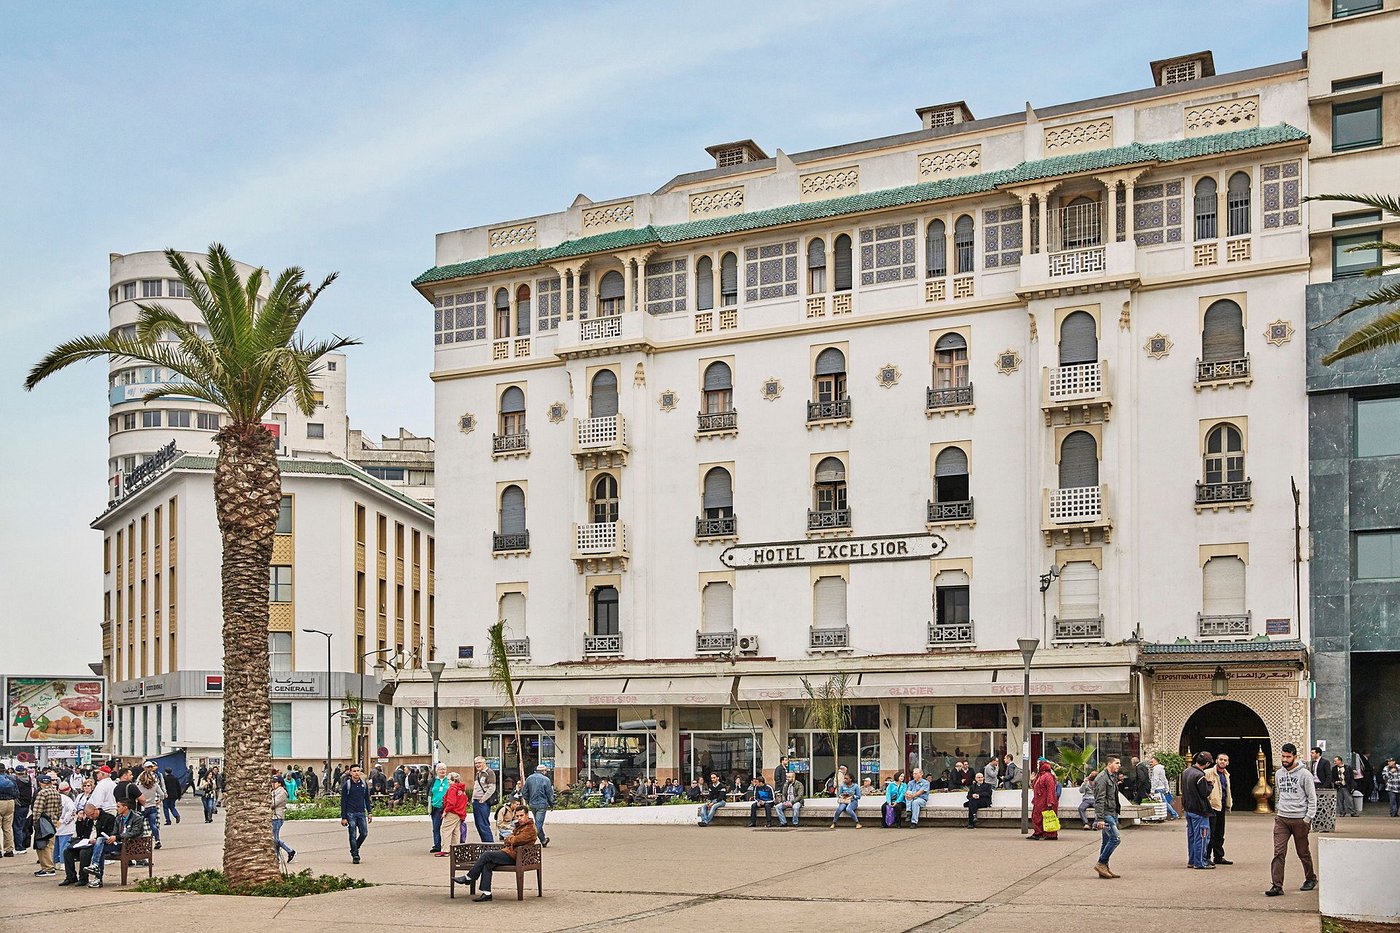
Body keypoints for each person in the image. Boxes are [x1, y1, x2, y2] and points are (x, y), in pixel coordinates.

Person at [453, 800, 538, 902]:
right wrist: (510, 840)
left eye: (521, 816)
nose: (519, 818)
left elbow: (515, 840)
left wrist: (511, 839)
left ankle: (469, 877)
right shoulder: (520, 827)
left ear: (527, 815)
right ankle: (487, 893)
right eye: (517, 816)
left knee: (487, 855)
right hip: (511, 853)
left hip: (518, 857)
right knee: (487, 864)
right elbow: (507, 840)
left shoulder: (529, 829)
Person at [1266, 742, 1317, 897]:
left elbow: (1312, 798)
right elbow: (1280, 794)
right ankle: (1277, 885)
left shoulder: (1305, 775)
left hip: (1300, 819)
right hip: (1282, 819)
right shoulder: (1280, 774)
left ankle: (1310, 878)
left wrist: (1307, 818)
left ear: (1295, 756)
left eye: (1288, 757)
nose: (1285, 759)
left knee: (1303, 852)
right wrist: (1278, 810)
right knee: (1278, 852)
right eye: (1283, 756)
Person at [87, 798, 146, 888]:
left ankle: (96, 871)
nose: (116, 808)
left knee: (100, 848)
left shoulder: (137, 818)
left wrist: (117, 837)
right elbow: (114, 832)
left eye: (118, 806)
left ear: (125, 807)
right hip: (118, 844)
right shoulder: (118, 818)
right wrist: (111, 837)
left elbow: (134, 833)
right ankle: (96, 872)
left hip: (131, 845)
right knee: (100, 842)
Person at [61, 803, 113, 887]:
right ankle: (71, 877)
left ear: (96, 810)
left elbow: (109, 833)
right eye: (89, 816)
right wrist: (80, 821)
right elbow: (80, 833)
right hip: (86, 842)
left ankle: (83, 878)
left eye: (92, 815)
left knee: (84, 853)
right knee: (67, 851)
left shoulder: (108, 818)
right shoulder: (88, 820)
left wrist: (96, 839)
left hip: (98, 844)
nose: (91, 817)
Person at [1182, 751, 1215, 870]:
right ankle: (1200, 862)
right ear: (1206, 764)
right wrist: (1210, 785)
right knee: (1202, 836)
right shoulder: (1200, 776)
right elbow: (1204, 792)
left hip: (1188, 809)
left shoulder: (1186, 772)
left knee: (1191, 836)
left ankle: (1192, 860)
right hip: (1199, 810)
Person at [1092, 756, 1123, 878]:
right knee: (1116, 838)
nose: (1119, 765)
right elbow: (1099, 799)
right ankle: (1101, 863)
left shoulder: (1112, 776)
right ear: (1109, 764)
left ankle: (1104, 868)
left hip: (1112, 812)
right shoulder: (1102, 778)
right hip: (1106, 814)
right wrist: (1100, 819)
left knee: (1106, 841)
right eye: (1117, 763)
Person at [30, 773, 63, 877]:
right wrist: (56, 819)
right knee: (50, 845)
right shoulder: (56, 793)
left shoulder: (42, 793)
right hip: (52, 822)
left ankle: (47, 868)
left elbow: (37, 810)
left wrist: (34, 822)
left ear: (40, 783)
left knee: (42, 846)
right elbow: (60, 809)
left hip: (43, 823)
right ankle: (50, 865)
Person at [340, 763, 372, 864]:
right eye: (354, 771)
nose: (356, 773)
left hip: (361, 812)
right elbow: (343, 801)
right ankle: (355, 855)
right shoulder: (347, 785)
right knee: (352, 834)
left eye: (358, 771)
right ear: (350, 773)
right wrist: (343, 817)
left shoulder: (363, 784)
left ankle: (355, 848)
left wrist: (369, 812)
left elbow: (367, 799)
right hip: (351, 813)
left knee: (364, 833)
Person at [1206, 753, 1233, 865]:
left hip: (1221, 806)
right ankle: (1206, 856)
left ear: (1227, 762)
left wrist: (1229, 803)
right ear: (1216, 760)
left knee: (1220, 833)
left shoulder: (1226, 775)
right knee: (1210, 833)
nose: (1222, 761)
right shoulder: (1208, 773)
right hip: (1212, 806)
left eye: (1225, 760)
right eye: (1220, 759)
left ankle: (1218, 856)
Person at [521, 764, 556, 846]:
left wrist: (528, 800)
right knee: (538, 824)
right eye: (545, 771)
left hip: (532, 804)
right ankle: (528, 840)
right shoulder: (546, 780)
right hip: (542, 804)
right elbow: (549, 794)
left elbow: (524, 792)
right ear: (543, 771)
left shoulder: (529, 778)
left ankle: (543, 840)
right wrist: (552, 804)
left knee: (538, 823)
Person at [438, 771, 468, 854]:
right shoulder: (462, 790)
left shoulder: (452, 789)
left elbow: (451, 802)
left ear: (453, 780)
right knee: (456, 831)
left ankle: (445, 850)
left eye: (448, 779)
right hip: (460, 813)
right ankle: (455, 850)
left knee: (445, 830)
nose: (447, 781)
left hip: (452, 812)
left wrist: (445, 811)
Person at [136, 766, 163, 850]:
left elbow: (136, 796)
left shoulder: (139, 786)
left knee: (141, 825)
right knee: (153, 825)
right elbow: (162, 794)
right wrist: (159, 800)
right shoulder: (155, 785)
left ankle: (143, 842)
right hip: (152, 806)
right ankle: (157, 840)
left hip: (142, 807)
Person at [271, 772, 296, 863]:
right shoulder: (274, 791)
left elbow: (273, 804)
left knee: (274, 839)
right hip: (273, 817)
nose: (273, 784)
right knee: (274, 838)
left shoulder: (282, 792)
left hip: (277, 817)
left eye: (275, 782)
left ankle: (290, 851)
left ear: (280, 783)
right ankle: (276, 857)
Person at [470, 757, 497, 843]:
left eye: (479, 763)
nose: (477, 765)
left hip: (483, 803)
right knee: (478, 824)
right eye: (476, 763)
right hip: (476, 801)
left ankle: (489, 844)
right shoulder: (478, 773)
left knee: (483, 824)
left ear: (484, 763)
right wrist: (473, 799)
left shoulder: (489, 772)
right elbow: (476, 787)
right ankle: (484, 843)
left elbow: (492, 788)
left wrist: (483, 799)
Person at [1030, 761, 1058, 840]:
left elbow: (1050, 790)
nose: (1038, 766)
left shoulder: (1048, 777)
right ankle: (1039, 832)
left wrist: (1050, 803)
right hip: (1039, 801)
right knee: (1037, 817)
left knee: (1047, 818)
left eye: (1039, 765)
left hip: (1044, 801)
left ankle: (1050, 834)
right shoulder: (1040, 776)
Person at [53, 781, 77, 868]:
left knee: (55, 845)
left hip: (54, 824)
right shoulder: (67, 799)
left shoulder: (54, 797)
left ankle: (55, 862)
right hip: (65, 826)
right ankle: (63, 863)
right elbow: (72, 810)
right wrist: (65, 820)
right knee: (64, 845)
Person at [11, 764, 33, 853]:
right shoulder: (28, 780)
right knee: (23, 826)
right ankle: (23, 845)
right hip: (26, 805)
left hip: (19, 805)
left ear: (16, 772)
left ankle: (19, 847)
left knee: (17, 827)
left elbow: (15, 793)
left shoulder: (16, 782)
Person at [1149, 755, 1178, 820]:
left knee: (1164, 803)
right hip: (1161, 788)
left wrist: (1152, 790)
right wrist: (1166, 787)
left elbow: (1155, 780)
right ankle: (1174, 814)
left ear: (1156, 762)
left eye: (1152, 761)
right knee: (1164, 802)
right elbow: (1164, 779)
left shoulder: (1156, 769)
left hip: (1158, 788)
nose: (1150, 763)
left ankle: (1174, 814)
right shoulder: (1161, 768)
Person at [428, 763, 449, 854]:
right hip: (435, 807)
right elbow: (429, 793)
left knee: (446, 828)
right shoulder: (432, 781)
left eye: (444, 769)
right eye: (440, 769)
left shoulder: (449, 780)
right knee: (436, 827)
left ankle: (446, 845)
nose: (442, 771)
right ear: (437, 771)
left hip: (446, 807)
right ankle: (437, 845)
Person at [0, 763, 16, 857]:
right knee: (8, 828)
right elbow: (17, 793)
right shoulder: (11, 778)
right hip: (10, 802)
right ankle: (9, 850)